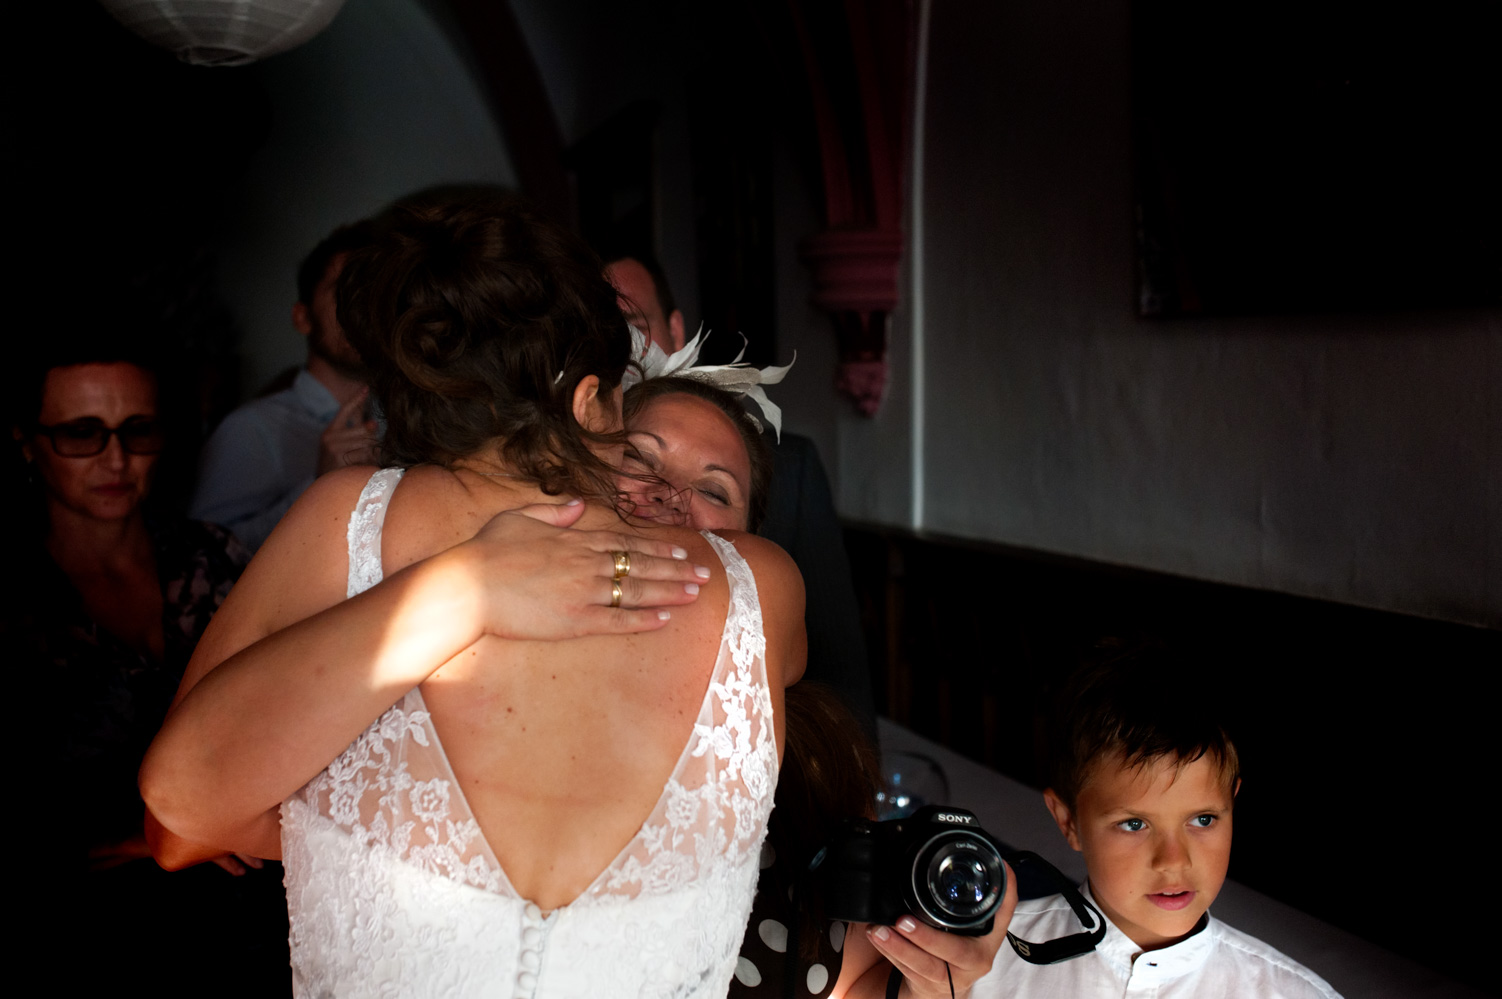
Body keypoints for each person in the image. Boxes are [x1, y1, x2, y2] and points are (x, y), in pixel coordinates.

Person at [141, 195, 805, 998]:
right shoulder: (758, 589)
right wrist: (465, 589)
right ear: (593, 400)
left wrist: (360, 836)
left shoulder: (349, 524)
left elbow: (176, 826)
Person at [621, 375, 1013, 999]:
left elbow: (854, 979)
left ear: (755, 547)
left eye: (713, 490)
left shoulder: (806, 767)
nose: (670, 497)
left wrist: (933, 983)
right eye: (637, 457)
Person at [6, 340, 288, 994]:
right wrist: (165, 830)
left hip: (255, 908)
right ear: (27, 442)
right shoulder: (8, 599)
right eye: (82, 433)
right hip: (90, 931)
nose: (115, 458)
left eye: (139, 430)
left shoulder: (210, 555)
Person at [606, 252, 878, 742]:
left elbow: (838, 678)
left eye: (627, 325)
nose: (669, 494)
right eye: (640, 458)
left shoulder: (782, 483)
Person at [970, 644, 1342, 999]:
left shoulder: (1292, 992)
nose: (1174, 860)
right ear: (1068, 822)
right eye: (1134, 824)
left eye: (1203, 819)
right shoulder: (978, 961)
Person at [190, 222, 381, 551]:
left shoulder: (405, 416)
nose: (359, 307)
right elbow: (204, 556)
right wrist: (320, 486)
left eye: (371, 292)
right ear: (302, 318)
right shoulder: (251, 430)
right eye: (343, 292)